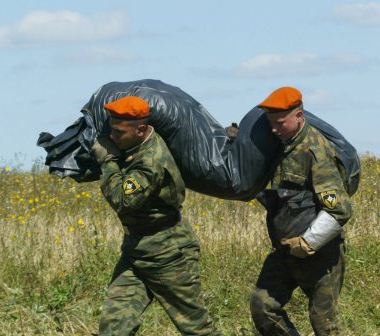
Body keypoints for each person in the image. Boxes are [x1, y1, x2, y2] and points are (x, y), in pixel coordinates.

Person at [91, 96, 219, 336]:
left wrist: (107, 161)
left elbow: (123, 200)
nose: (113, 137)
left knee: (196, 328)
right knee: (114, 325)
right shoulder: (136, 145)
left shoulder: (151, 161)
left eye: (118, 132)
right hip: (136, 250)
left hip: (167, 254)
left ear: (140, 130)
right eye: (112, 131)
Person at [250, 87, 353, 335]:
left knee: (323, 323)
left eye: (279, 123)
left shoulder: (315, 151)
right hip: (284, 251)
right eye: (270, 123)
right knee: (262, 307)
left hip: (320, 254)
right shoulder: (279, 145)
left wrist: (307, 243)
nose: (273, 129)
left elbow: (339, 210)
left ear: (299, 116)